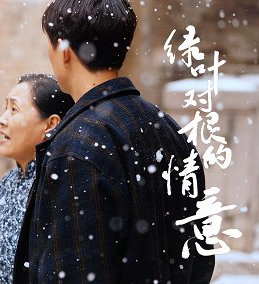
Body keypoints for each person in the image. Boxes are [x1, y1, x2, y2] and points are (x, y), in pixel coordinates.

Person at [13, 0, 215, 283]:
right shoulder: (167, 128)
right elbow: (199, 253)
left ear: (63, 51)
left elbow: (75, 273)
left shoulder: (76, 147)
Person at [0, 74, 74, 284]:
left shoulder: (62, 191)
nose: (2, 119)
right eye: (5, 108)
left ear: (50, 124)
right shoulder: (3, 187)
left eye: (14, 109)